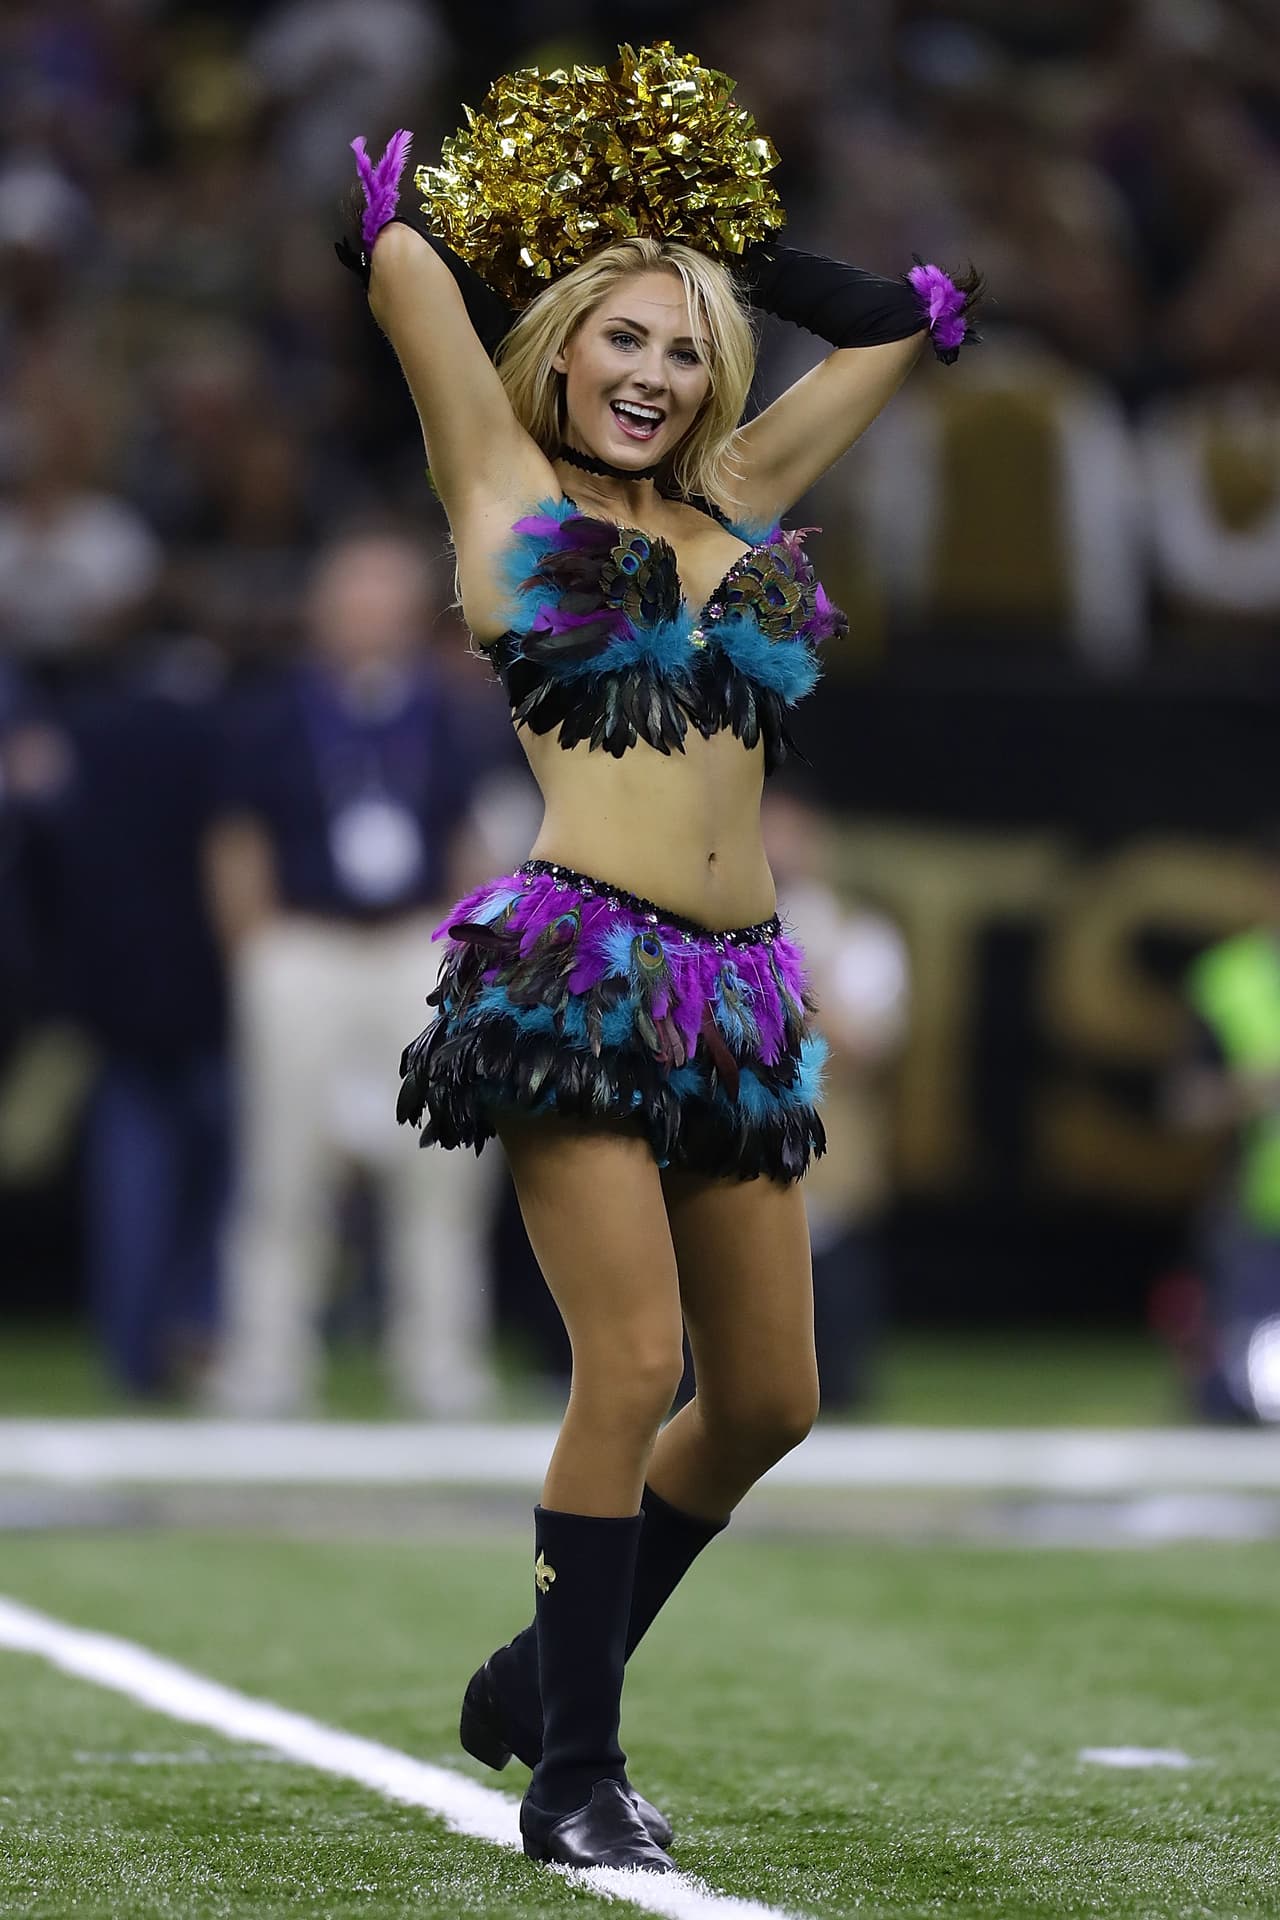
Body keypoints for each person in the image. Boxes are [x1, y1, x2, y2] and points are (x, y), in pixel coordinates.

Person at [340, 46, 978, 1873]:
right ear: (557, 350)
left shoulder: (742, 494)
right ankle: (572, 1776)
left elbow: (901, 329)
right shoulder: (497, 481)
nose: (654, 374)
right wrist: (482, 228)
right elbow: (399, 260)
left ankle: (535, 1677)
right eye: (621, 339)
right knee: (629, 1367)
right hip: (579, 967)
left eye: (685, 347)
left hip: (744, 992)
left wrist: (728, 254)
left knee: (770, 1397)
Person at [206, 527, 501, 1417]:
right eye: (352, 594)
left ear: (411, 614)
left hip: (413, 943)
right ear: (322, 610)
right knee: (283, 1161)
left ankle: (439, 1358)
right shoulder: (272, 710)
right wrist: (255, 948)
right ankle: (266, 1359)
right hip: (306, 944)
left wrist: (467, 955)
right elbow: (235, 838)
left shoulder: (452, 713)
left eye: (384, 596)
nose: (368, 613)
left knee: (443, 1166)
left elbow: (471, 838)